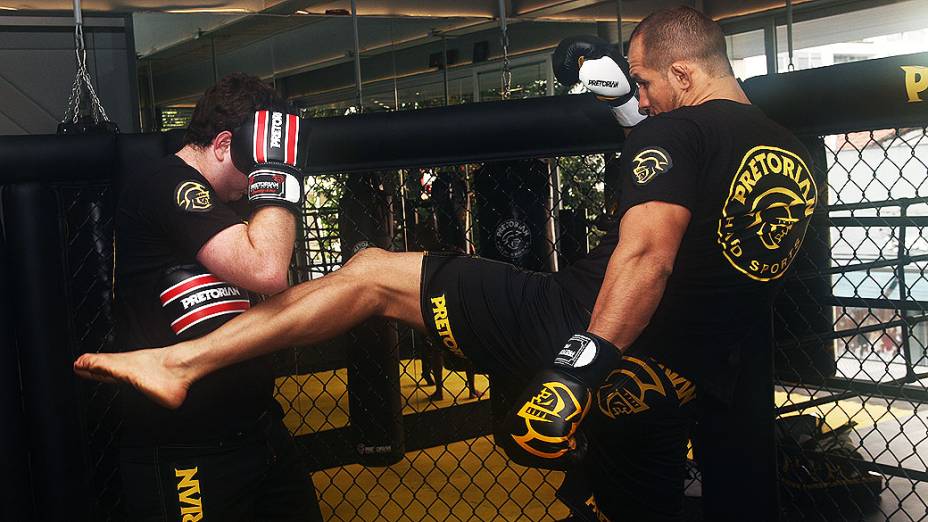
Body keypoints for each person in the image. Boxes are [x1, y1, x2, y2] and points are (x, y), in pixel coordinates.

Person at [77, 8, 817, 520]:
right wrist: (626, 106)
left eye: (648, 86)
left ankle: (178, 365)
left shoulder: (680, 134)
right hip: (668, 372)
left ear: (684, 79)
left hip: (579, 324)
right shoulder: (789, 154)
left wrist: (573, 372)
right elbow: (713, 257)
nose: (645, 102)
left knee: (368, 272)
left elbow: (650, 256)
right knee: (631, 505)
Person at [109, 73, 321, 522]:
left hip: (262, 434)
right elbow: (265, 271)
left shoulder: (229, 200)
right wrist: (277, 175)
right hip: (187, 450)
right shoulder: (165, 182)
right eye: (253, 165)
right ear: (224, 144)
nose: (253, 182)